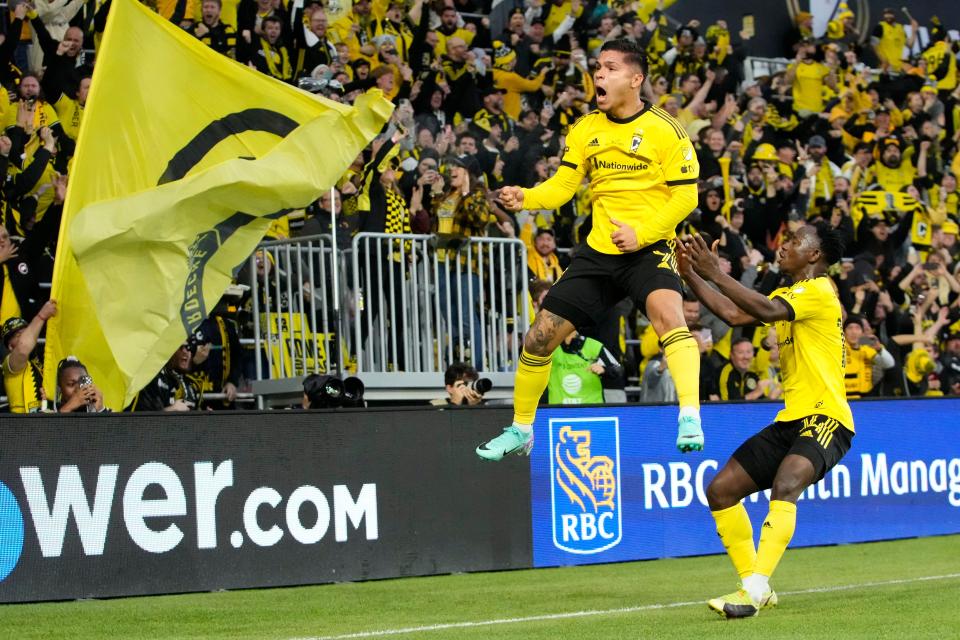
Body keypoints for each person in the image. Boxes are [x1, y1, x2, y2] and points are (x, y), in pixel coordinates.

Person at [476, 38, 702, 461]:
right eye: (598, 67)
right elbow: (563, 186)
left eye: (611, 68)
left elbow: (686, 198)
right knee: (539, 338)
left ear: (636, 79)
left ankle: (690, 413)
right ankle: (521, 429)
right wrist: (526, 197)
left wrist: (643, 232)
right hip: (598, 253)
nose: (599, 74)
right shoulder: (584, 129)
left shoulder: (666, 130)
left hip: (648, 248)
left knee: (669, 317)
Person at [678, 222, 854, 618]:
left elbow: (768, 310)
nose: (783, 245)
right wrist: (690, 273)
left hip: (827, 416)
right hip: (792, 419)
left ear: (815, 255)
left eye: (794, 241)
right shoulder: (788, 295)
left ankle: (754, 591)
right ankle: (754, 585)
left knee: (786, 483)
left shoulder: (820, 291)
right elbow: (731, 313)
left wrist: (715, 271)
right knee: (721, 491)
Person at [1, 300, 56, 413]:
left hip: (43, 424)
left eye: (27, 332)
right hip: (20, 426)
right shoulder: (10, 363)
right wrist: (41, 317)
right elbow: (22, 348)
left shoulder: (40, 363)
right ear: (10, 347)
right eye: (19, 335)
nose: (25, 337)